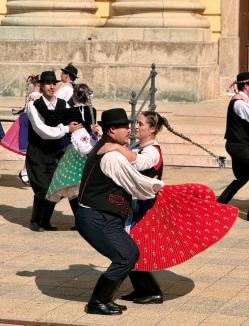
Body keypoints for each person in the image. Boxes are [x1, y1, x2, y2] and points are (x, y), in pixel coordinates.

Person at [97, 111, 238, 304]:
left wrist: (115, 147)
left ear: (152, 129)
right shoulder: (139, 145)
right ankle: (143, 289)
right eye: (135, 122)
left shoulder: (153, 150)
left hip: (148, 206)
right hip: (137, 205)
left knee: (134, 248)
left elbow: (138, 163)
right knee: (133, 248)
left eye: (140, 123)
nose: (135, 126)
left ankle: (151, 291)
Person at [76, 108, 164, 315]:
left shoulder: (108, 148)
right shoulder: (112, 157)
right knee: (126, 256)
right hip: (96, 217)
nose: (130, 130)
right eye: (125, 126)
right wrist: (161, 188)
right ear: (112, 130)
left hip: (105, 216)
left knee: (129, 253)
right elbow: (137, 183)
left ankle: (115, 297)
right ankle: (97, 302)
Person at [26, 70, 82, 232]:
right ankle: (36, 220)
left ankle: (46, 221)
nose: (51, 86)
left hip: (58, 151)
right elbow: (41, 129)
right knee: (43, 187)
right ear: (42, 86)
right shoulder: (33, 105)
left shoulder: (62, 104)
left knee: (61, 186)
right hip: (39, 152)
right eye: (48, 84)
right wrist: (66, 129)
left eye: (53, 84)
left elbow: (71, 121)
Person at [46, 83, 100, 229]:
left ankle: (78, 222)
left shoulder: (90, 110)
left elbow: (91, 133)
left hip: (82, 151)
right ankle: (44, 219)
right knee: (67, 186)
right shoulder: (69, 109)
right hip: (71, 150)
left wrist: (94, 132)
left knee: (72, 187)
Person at [0, 74, 41, 185]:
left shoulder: (33, 94)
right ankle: (25, 172)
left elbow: (27, 107)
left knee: (32, 150)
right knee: (31, 150)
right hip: (32, 124)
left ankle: (26, 172)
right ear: (39, 83)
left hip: (30, 123)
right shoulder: (36, 95)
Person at [217, 72, 249, 205]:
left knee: (243, 177)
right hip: (238, 146)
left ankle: (219, 203)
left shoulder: (243, 100)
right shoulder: (239, 103)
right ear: (247, 86)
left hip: (240, 145)